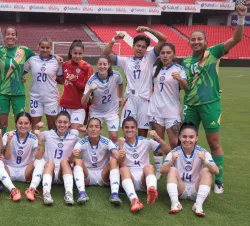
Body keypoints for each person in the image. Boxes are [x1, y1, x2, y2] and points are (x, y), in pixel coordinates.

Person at [181, 4, 247, 194]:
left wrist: (241, 18)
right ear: (189, 42)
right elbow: (186, 85)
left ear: (205, 41)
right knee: (186, 142)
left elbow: (236, 38)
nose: (196, 42)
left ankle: (218, 180)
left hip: (210, 105)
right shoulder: (185, 61)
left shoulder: (214, 52)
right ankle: (190, 175)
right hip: (190, 106)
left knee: (214, 143)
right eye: (193, 40)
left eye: (199, 39)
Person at [103, 26, 167, 137]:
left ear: (146, 49)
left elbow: (163, 39)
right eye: (138, 46)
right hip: (130, 100)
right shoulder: (125, 61)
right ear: (133, 46)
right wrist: (115, 39)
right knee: (129, 132)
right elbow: (106, 54)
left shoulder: (150, 58)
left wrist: (147, 29)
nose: (140, 48)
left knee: (142, 135)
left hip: (145, 101)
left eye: (143, 47)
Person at [161, 122, 219, 217]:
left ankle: (198, 205)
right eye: (184, 136)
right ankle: (175, 203)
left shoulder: (203, 152)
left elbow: (216, 171)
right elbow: (163, 171)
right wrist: (171, 160)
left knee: (207, 171)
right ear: (179, 137)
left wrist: (205, 161)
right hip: (180, 188)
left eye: (191, 137)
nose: (187, 140)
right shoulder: (174, 152)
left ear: (196, 138)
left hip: (196, 189)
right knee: (172, 170)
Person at [148, 43, 188, 178]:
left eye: (168, 53)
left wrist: (180, 79)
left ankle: (177, 168)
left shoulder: (179, 69)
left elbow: (186, 87)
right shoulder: (154, 69)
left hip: (172, 110)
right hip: (156, 110)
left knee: (175, 142)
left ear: (174, 55)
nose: (165, 55)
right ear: (159, 55)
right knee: (158, 142)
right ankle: (159, 170)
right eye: (163, 53)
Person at [117, 117, 170, 213]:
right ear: (122, 129)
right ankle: (134, 200)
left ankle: (152, 190)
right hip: (129, 178)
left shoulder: (145, 141)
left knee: (149, 166)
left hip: (144, 179)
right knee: (123, 169)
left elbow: (167, 151)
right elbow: (121, 164)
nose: (129, 130)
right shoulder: (119, 143)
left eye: (132, 127)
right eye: (127, 127)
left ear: (136, 129)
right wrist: (120, 147)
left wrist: (157, 137)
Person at [0, 112, 46, 202]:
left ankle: (31, 189)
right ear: (16, 124)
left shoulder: (33, 137)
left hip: (25, 171)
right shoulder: (8, 135)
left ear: (30, 125)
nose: (23, 126)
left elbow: (39, 157)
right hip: (9, 170)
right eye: (20, 123)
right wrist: (9, 141)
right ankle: (13, 190)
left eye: (26, 123)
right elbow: (7, 157)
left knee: (41, 161)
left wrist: (40, 140)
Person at [72, 118, 121, 204]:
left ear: (100, 130)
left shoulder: (107, 141)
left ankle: (115, 194)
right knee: (78, 161)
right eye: (91, 126)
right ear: (87, 130)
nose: (93, 129)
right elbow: (71, 160)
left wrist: (121, 152)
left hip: (103, 175)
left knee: (114, 161)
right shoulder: (81, 142)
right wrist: (72, 156)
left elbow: (117, 156)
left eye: (96, 127)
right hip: (87, 175)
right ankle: (82, 193)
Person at [38, 111, 81, 205]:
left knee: (65, 162)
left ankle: (69, 193)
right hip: (49, 171)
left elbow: (86, 144)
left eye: (65, 122)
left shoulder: (74, 138)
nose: (62, 125)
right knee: (50, 162)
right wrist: (36, 128)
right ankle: (46, 193)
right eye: (59, 122)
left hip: (64, 172)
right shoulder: (47, 134)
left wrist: (86, 134)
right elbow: (33, 136)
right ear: (55, 123)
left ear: (69, 124)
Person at [24, 38, 63, 129]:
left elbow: (61, 81)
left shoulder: (57, 62)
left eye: (47, 47)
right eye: (42, 47)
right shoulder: (32, 60)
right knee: (35, 127)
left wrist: (53, 78)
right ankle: (35, 143)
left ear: (51, 49)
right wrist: (22, 77)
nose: (45, 50)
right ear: (39, 47)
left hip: (51, 98)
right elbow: (22, 72)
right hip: (35, 98)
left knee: (53, 128)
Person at [82, 56, 123, 142]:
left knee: (114, 136)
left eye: (105, 64)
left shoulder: (116, 75)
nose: (102, 66)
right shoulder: (92, 80)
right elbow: (83, 102)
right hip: (96, 111)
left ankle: (112, 155)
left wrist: (119, 98)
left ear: (109, 65)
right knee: (94, 136)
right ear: (97, 65)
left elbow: (120, 83)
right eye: (100, 64)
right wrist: (89, 91)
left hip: (111, 110)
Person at [60, 40, 94, 129]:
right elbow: (59, 80)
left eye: (80, 53)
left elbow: (88, 89)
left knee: (74, 134)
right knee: (64, 134)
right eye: (75, 53)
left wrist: (75, 81)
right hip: (65, 105)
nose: (77, 56)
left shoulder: (87, 67)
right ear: (71, 52)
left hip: (79, 106)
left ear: (83, 53)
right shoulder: (64, 65)